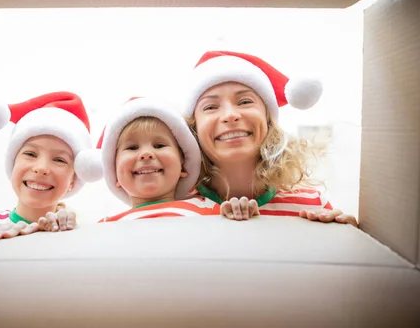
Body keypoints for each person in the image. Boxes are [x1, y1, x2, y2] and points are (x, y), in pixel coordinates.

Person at [182, 50, 358, 227]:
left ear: (268, 120)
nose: (230, 115)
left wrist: (347, 236)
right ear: (194, 128)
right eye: (210, 107)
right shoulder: (175, 209)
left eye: (244, 102)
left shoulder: (312, 205)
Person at [0, 91, 100, 245]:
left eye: (59, 160)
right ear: (13, 163)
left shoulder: (79, 236)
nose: (41, 168)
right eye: (30, 154)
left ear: (74, 179)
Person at [81, 97, 220, 222]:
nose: (146, 154)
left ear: (183, 166)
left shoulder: (212, 209)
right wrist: (62, 224)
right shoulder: (105, 227)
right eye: (132, 148)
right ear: (114, 172)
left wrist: (237, 210)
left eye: (159, 145)